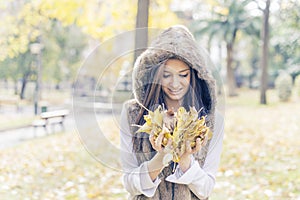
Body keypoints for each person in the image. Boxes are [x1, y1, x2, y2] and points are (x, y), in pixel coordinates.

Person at [119, 25, 224, 200]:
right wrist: (161, 157)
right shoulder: (133, 113)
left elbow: (206, 189)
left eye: (183, 75)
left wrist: (185, 160)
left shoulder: (212, 120)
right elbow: (130, 185)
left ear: (194, 75)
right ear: (156, 75)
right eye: (167, 75)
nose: (175, 84)